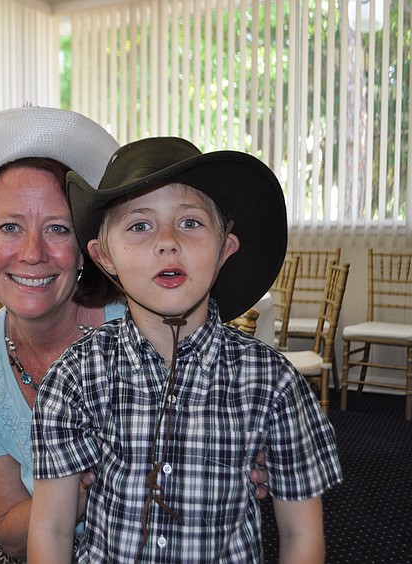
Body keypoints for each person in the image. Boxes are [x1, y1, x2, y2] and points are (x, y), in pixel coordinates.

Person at [0, 108, 270, 564]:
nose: (32, 253)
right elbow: (9, 533)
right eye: (9, 227)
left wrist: (252, 449)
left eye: (58, 229)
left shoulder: (147, 318)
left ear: (91, 249)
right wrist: (79, 486)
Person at [28, 137, 342, 563]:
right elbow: (52, 527)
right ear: (105, 258)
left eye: (190, 223)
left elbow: (301, 534)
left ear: (224, 249)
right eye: (139, 225)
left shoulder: (275, 383)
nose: (167, 242)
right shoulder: (74, 378)